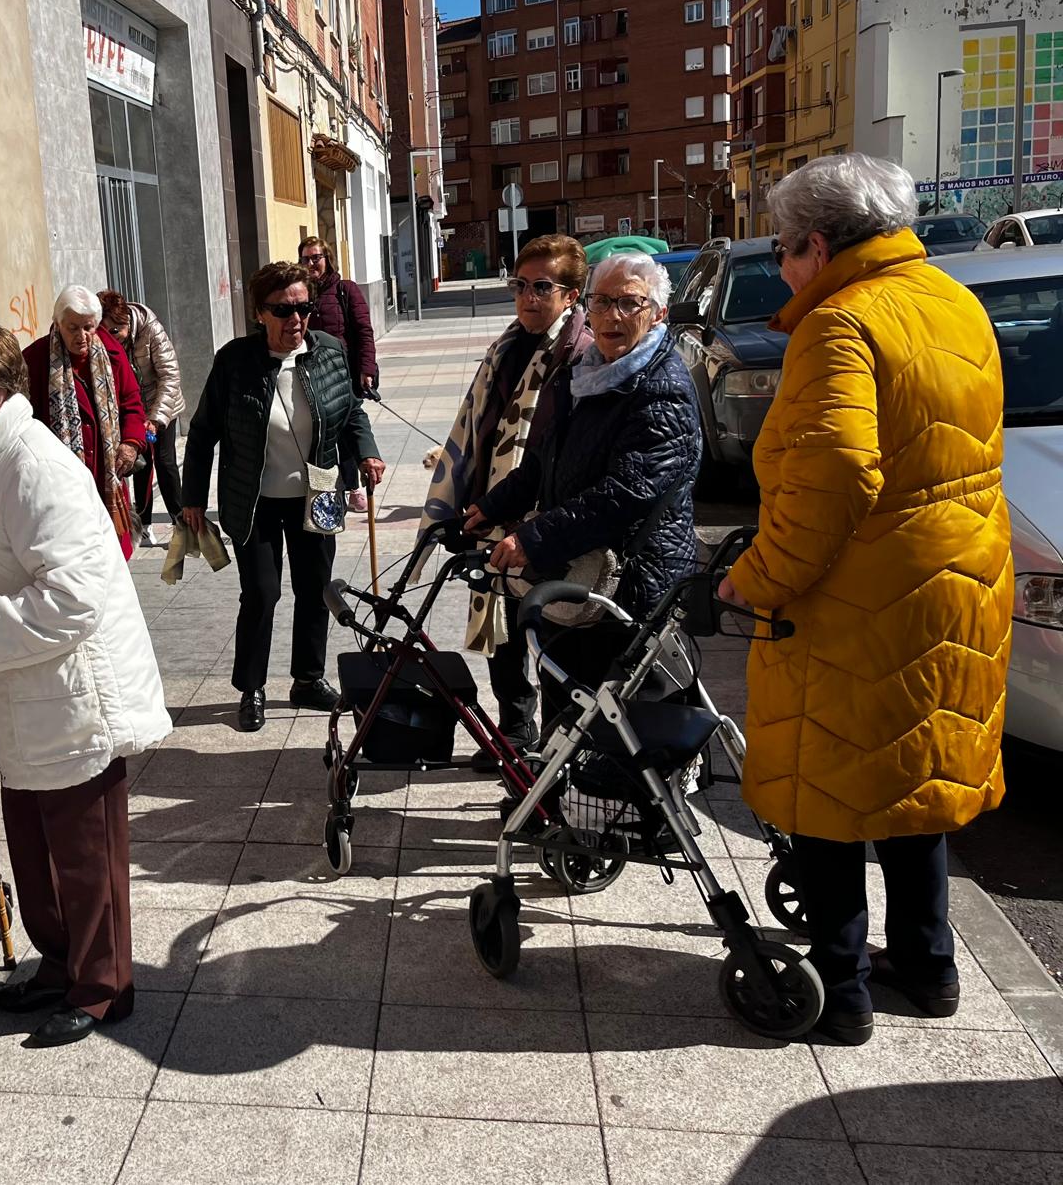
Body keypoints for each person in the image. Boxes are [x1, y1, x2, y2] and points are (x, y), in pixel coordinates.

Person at [718, 154, 1012, 1047]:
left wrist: (753, 579)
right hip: (954, 585)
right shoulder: (953, 301)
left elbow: (832, 479)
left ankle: (836, 990)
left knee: (827, 797)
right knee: (912, 785)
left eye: (782, 249)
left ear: (817, 243)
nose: (780, 268)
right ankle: (929, 966)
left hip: (860, 598)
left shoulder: (841, 326)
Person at [0, 320, 171, 1047]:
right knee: (36, 853)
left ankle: (104, 987)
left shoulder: (33, 465)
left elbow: (75, 597)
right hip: (25, 694)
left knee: (86, 858)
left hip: (70, 699)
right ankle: (62, 965)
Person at [465, 252, 701, 728]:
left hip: (627, 583)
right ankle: (552, 797)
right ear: (587, 308)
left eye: (629, 303)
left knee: (612, 722)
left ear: (657, 313)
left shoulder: (661, 385)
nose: (613, 315)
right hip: (578, 570)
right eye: (602, 302)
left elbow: (626, 492)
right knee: (564, 704)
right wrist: (490, 507)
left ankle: (615, 799)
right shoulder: (588, 373)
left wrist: (532, 538)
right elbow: (541, 461)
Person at [182, 261, 385, 732]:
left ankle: (307, 679)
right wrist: (192, 496)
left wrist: (367, 453)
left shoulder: (330, 352)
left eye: (304, 307)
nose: (296, 319)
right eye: (283, 310)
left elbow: (351, 411)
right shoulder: (235, 361)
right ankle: (251, 687)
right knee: (261, 592)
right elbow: (202, 431)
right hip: (254, 500)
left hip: (317, 492)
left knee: (316, 588)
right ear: (259, 313)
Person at [420, 234, 592, 767]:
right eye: (521, 285)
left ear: (570, 293)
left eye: (543, 287)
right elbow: (482, 425)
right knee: (503, 626)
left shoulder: (581, 354)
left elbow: (563, 452)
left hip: (548, 517)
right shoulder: (508, 345)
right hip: (494, 508)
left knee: (550, 630)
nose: (529, 297)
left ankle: (561, 751)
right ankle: (515, 730)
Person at [23, 286, 147, 559]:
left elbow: (132, 401)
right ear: (57, 324)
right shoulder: (34, 359)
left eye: (89, 327)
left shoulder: (111, 353)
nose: (82, 336)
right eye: (73, 328)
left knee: (112, 556)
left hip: (106, 474)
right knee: (73, 555)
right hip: (60, 479)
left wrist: (130, 443)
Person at [99, 290, 185, 547]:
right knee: (139, 464)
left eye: (116, 331)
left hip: (161, 407)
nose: (111, 338)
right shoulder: (103, 342)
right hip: (132, 411)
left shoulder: (150, 329)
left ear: (127, 322)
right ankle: (143, 525)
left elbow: (169, 376)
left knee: (165, 461)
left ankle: (181, 524)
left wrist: (156, 419)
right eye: (106, 332)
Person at [299, 235, 378, 513]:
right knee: (321, 434)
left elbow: (363, 331)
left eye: (316, 258)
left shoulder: (346, 289)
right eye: (305, 258)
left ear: (327, 259)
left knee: (346, 431)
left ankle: (352, 488)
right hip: (310, 375)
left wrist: (366, 369)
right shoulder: (302, 293)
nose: (311, 264)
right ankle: (330, 489)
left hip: (343, 373)